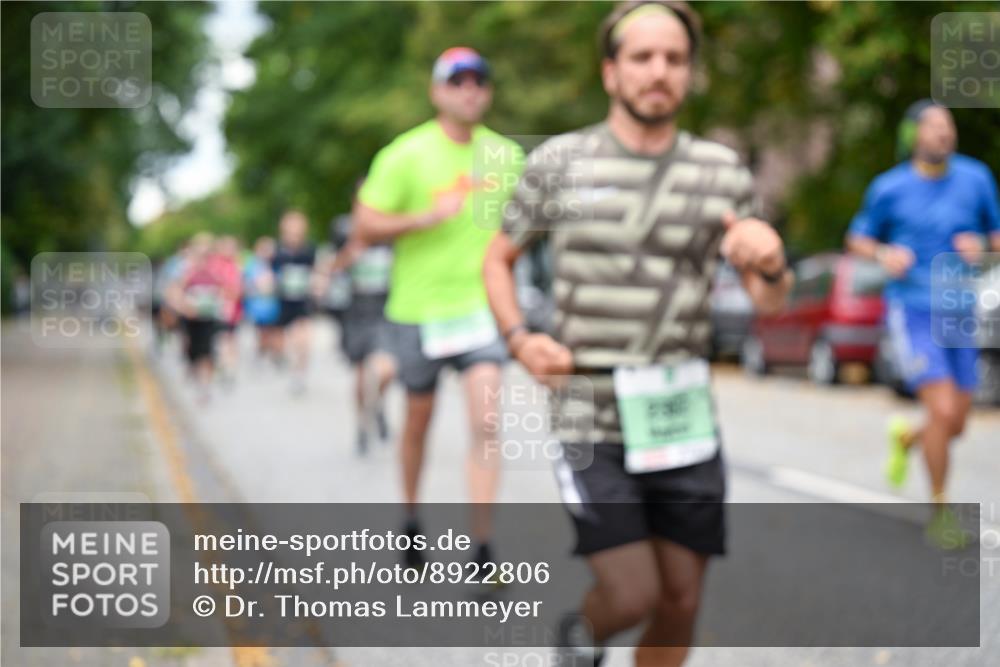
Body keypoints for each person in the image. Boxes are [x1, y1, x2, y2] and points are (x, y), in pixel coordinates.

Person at [482, 3, 792, 665]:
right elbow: (497, 259)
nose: (659, 72)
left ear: (690, 73)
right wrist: (520, 338)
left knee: (680, 599)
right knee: (631, 594)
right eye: (642, 57)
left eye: (675, 59)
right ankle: (581, 638)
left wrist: (769, 262)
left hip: (681, 411)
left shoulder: (721, 172)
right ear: (610, 72)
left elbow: (769, 299)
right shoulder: (560, 162)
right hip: (588, 410)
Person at [354, 47, 523, 568]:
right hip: (419, 311)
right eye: (457, 81)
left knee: (487, 423)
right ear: (436, 91)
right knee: (418, 425)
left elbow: (518, 230)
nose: (469, 90)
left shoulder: (505, 156)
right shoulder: (405, 155)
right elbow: (365, 225)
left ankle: (483, 546)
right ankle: (410, 517)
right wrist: (423, 218)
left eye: (479, 81)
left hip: (480, 310)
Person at [846, 100, 1000, 547]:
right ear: (914, 135)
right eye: (933, 126)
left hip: (960, 307)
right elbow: (857, 239)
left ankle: (907, 438)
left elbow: (996, 238)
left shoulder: (976, 178)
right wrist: (884, 253)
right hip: (912, 308)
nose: (943, 133)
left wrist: (982, 247)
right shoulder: (889, 188)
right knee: (943, 411)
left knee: (957, 423)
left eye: (948, 125)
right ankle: (940, 511)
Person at [327, 184, 397, 456]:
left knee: (386, 370)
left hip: (386, 311)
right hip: (355, 311)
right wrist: (349, 254)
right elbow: (331, 268)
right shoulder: (343, 229)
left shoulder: (393, 229)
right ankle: (362, 424)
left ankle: (376, 403)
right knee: (359, 374)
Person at [167, 233, 226, 405]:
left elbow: (227, 290)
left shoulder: (216, 271)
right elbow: (173, 292)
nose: (203, 257)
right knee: (192, 352)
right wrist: (185, 307)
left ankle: (205, 388)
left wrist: (220, 303)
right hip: (190, 320)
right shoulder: (185, 270)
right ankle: (193, 370)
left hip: (209, 319)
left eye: (207, 253)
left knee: (207, 354)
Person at [273, 210, 319, 395]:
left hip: (302, 300)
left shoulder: (309, 249)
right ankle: (288, 363)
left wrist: (317, 283)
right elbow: (268, 272)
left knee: (303, 340)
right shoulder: (277, 250)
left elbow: (316, 271)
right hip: (282, 300)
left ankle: (299, 373)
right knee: (281, 342)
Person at [210, 235, 244, 386]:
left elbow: (240, 287)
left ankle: (229, 367)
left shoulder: (237, 264)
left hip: (234, 310)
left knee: (231, 339)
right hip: (220, 309)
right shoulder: (214, 264)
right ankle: (224, 365)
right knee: (223, 338)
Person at [243, 236, 282, 363]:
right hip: (258, 306)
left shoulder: (275, 264)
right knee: (262, 332)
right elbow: (246, 284)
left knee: (274, 330)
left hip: (273, 304)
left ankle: (275, 353)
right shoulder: (252, 265)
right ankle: (262, 351)